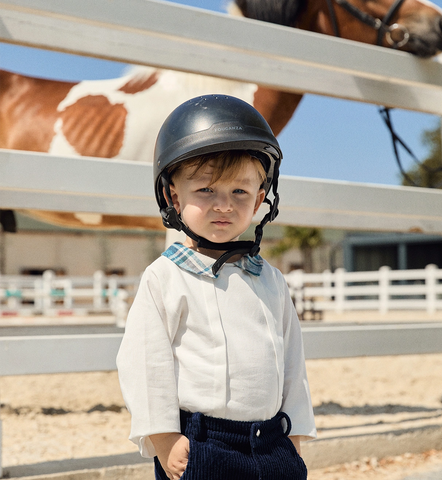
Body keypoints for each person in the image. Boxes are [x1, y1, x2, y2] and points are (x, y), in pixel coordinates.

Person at [116, 94, 316, 480]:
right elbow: (145, 361)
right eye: (206, 190)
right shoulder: (165, 277)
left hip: (273, 440)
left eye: (239, 192)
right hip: (204, 444)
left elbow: (292, 359)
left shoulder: (270, 279)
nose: (224, 205)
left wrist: (297, 432)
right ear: (174, 196)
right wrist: (162, 436)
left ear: (260, 199)